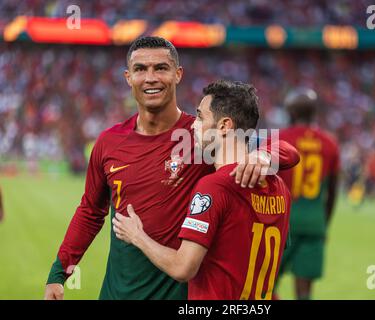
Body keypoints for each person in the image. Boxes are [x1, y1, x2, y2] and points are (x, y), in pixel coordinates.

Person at [44, 37, 299, 300]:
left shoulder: (199, 135)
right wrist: (59, 273)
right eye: (140, 69)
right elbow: (90, 211)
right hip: (116, 293)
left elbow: (287, 150)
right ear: (128, 77)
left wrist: (264, 156)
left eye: (161, 68)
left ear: (177, 74)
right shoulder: (110, 142)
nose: (150, 77)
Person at [112, 80, 293, 299]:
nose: (192, 125)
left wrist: (137, 236)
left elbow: (183, 268)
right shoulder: (280, 187)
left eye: (200, 117)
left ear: (225, 126)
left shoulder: (214, 186)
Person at [276, 88, 340, 300]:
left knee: (264, 286)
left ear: (291, 113)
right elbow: (332, 192)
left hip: (282, 223)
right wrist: (324, 222)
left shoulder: (280, 139)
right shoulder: (330, 143)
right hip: (314, 224)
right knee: (304, 293)